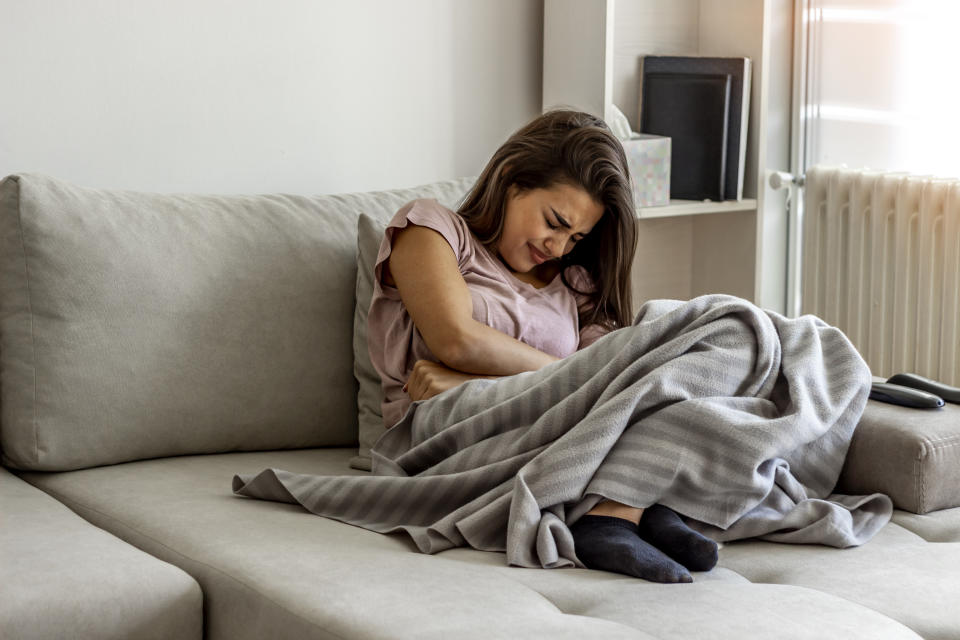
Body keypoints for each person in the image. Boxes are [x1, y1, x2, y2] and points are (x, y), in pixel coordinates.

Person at [366, 109, 718, 583]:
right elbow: (456, 339)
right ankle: (623, 508)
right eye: (555, 222)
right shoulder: (432, 230)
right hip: (441, 436)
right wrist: (565, 377)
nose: (557, 246)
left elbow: (618, 378)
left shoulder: (574, 281)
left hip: (548, 424)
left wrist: (478, 379)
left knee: (715, 339)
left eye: (575, 237)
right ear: (511, 178)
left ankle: (625, 509)